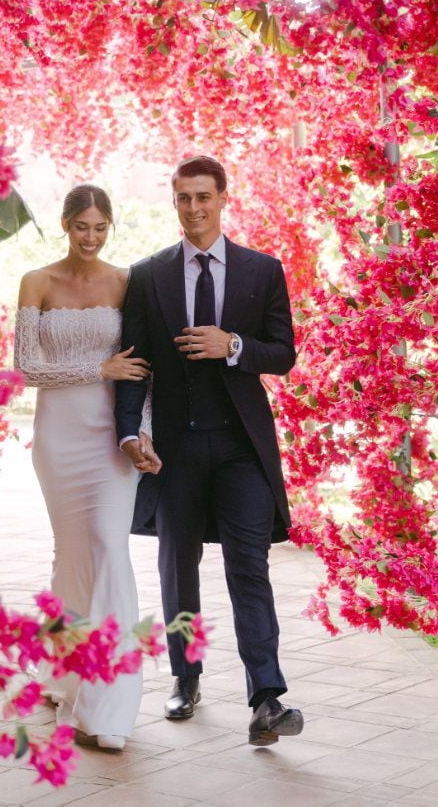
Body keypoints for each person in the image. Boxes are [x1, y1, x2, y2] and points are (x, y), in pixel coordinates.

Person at [115, 156, 304, 747]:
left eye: (203, 196)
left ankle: (267, 697)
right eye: (183, 198)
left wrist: (234, 344)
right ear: (174, 202)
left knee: (249, 567)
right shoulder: (146, 276)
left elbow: (282, 353)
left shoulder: (262, 270)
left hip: (241, 447)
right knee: (178, 570)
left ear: (223, 197)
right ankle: (185, 677)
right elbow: (134, 366)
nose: (193, 208)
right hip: (174, 450)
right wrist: (129, 433)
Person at [14, 184, 160, 751]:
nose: (92, 238)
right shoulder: (37, 281)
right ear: (66, 224)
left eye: (101, 228)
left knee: (108, 545)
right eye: (82, 227)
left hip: (110, 439)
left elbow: (139, 368)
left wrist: (139, 429)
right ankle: (65, 669)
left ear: (110, 228)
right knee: (71, 557)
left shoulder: (127, 282)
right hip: (58, 436)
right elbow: (27, 366)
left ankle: (110, 705)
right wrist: (97, 368)